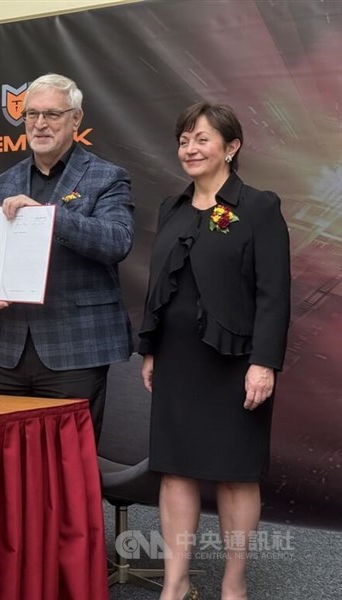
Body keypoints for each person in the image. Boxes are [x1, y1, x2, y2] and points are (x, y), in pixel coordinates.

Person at [138, 102, 291, 600]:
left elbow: (273, 292)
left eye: (202, 139)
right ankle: (176, 583)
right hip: (177, 360)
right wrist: (152, 349)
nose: (190, 148)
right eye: (184, 138)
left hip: (235, 362)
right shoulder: (172, 208)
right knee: (176, 470)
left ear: (232, 147)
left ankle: (233, 585)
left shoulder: (258, 206)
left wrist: (263, 362)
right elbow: (161, 287)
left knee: (234, 474)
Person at [0, 73, 134, 440]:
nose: (40, 124)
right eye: (32, 115)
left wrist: (48, 216)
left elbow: (118, 241)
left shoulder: (107, 177)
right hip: (7, 352)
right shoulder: (1, 184)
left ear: (76, 118)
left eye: (52, 114)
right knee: (1, 469)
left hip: (75, 351)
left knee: (66, 470)